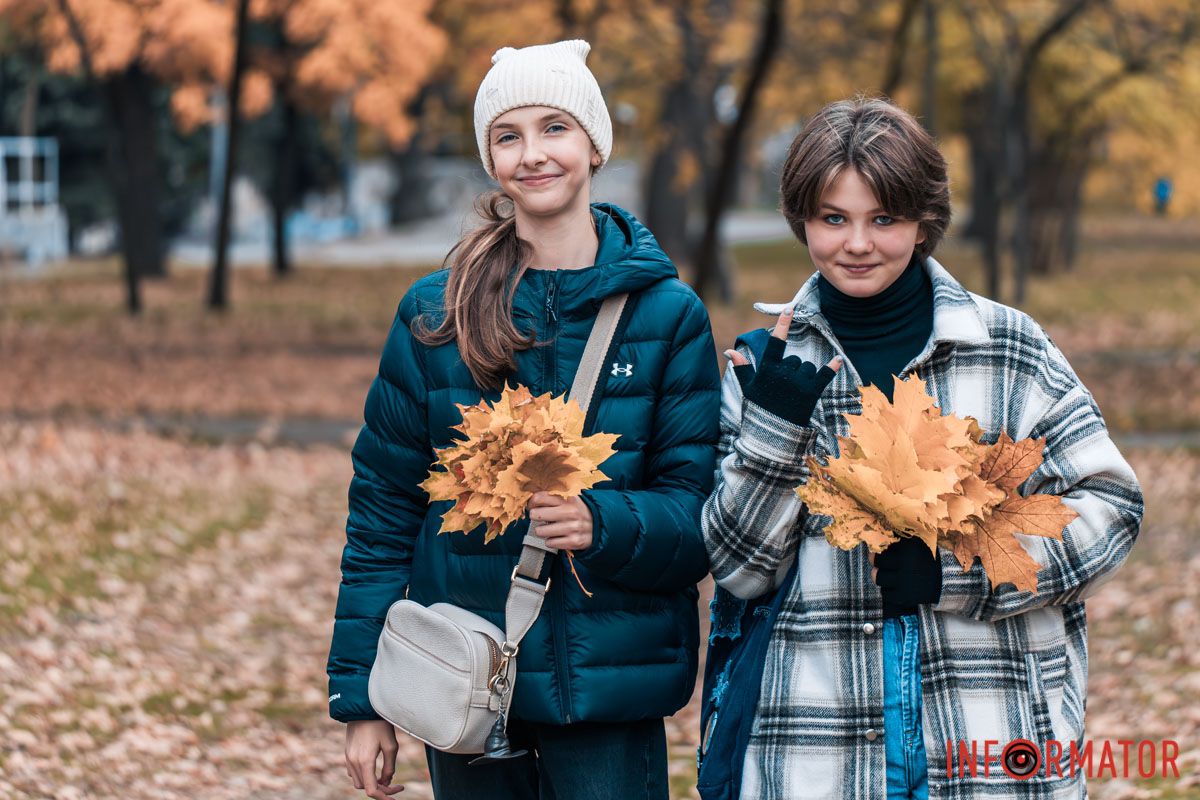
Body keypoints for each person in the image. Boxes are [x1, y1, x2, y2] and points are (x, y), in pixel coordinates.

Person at [701, 97, 1143, 799]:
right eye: (833, 219)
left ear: (922, 220)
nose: (857, 244)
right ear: (802, 219)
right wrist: (775, 430)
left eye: (883, 219)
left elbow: (1111, 510)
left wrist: (955, 574)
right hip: (818, 746)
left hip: (988, 729)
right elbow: (741, 569)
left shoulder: (1007, 350)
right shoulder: (765, 366)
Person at [326, 39, 720, 800]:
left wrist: (603, 524)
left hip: (608, 690)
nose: (533, 154)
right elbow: (381, 512)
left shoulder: (668, 317)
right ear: (489, 159)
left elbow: (699, 513)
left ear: (595, 144)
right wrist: (363, 700)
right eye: (508, 136)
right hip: (464, 678)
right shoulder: (434, 315)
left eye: (555, 128)